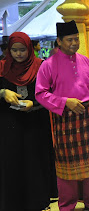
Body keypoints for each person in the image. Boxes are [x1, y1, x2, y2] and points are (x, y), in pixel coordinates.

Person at [35, 20, 89, 211]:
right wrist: (65, 102)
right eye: (69, 40)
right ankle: (67, 205)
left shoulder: (85, 61)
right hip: (65, 118)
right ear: (59, 41)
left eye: (76, 39)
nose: (74, 43)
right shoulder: (48, 65)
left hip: (86, 116)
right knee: (66, 166)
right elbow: (40, 94)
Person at [0, 32, 57, 211]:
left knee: (35, 160)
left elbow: (50, 91)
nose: (18, 54)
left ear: (30, 49)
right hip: (9, 124)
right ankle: (12, 203)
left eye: (22, 50)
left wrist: (34, 101)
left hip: (35, 122)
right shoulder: (2, 67)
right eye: (14, 50)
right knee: (11, 160)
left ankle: (38, 201)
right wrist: (2, 92)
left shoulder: (41, 66)